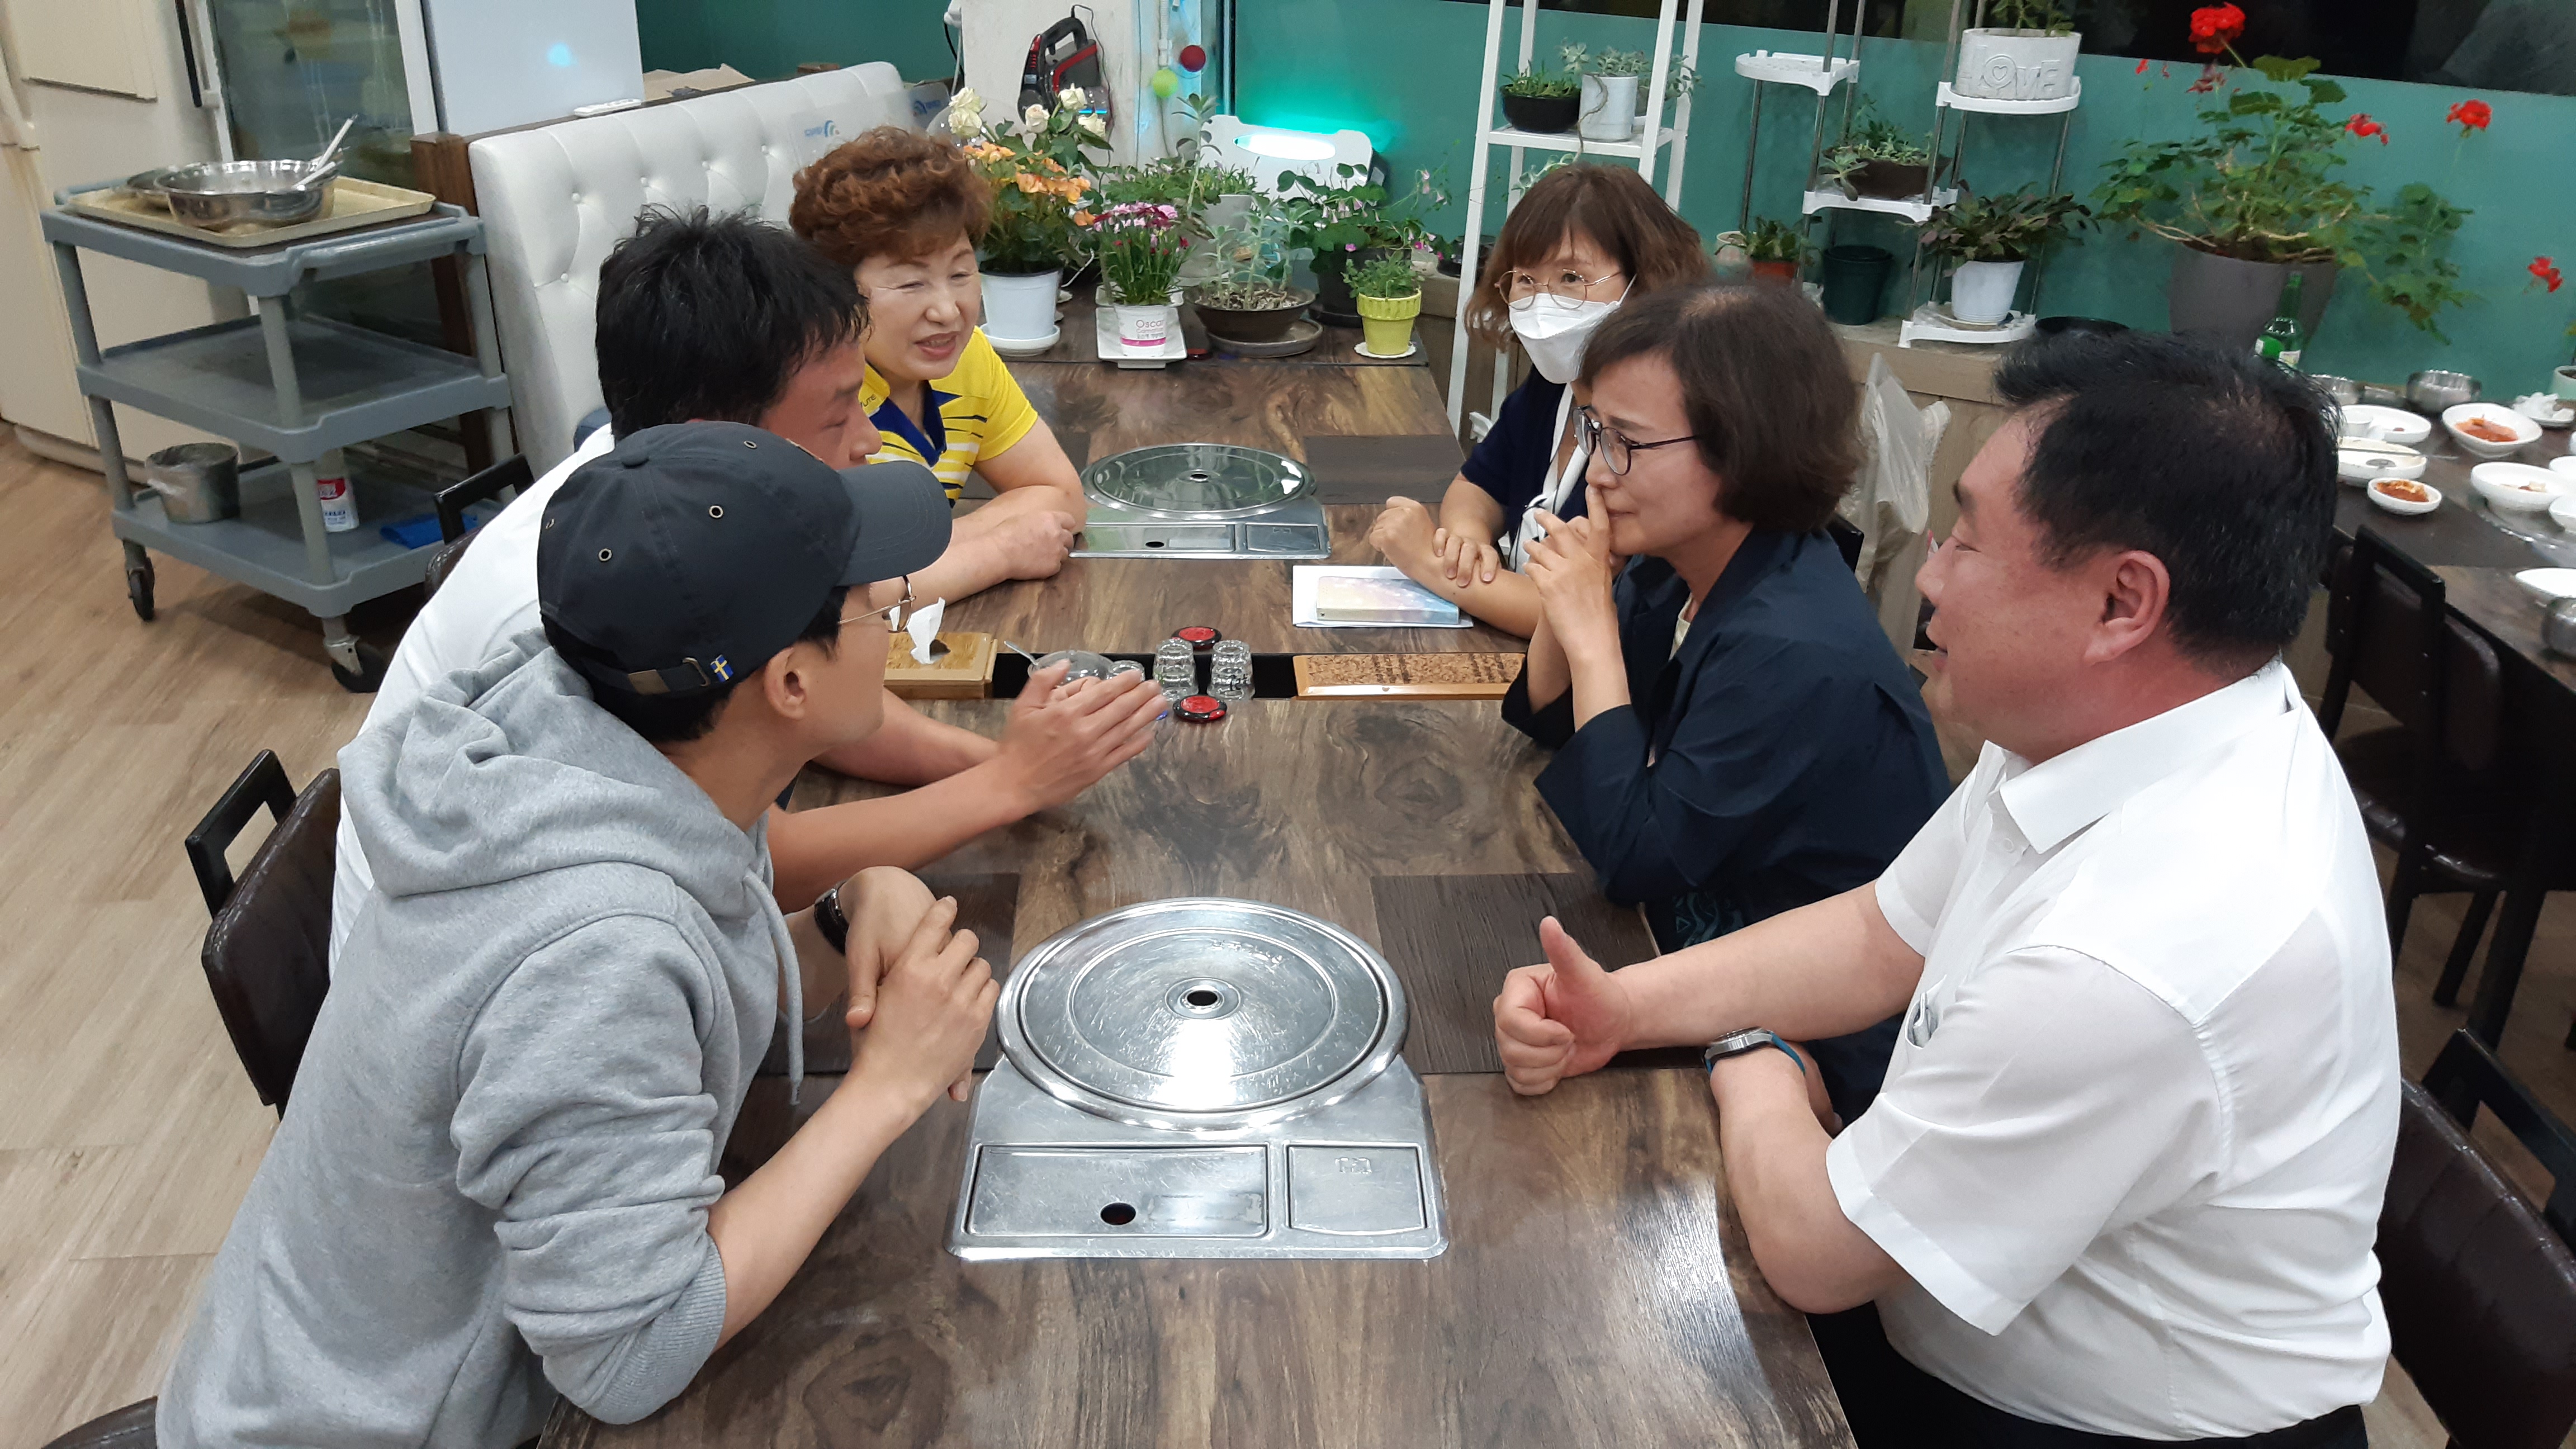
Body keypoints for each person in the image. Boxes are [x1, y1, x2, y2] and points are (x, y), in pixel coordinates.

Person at [1494, 333, 2390, 1448]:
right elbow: (1882, 933)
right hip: (1952, 1311)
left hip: (2082, 1424)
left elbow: (1816, 1250)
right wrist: (1622, 1006)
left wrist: (1751, 1058)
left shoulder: (2134, 955)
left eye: (1966, 539)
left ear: (2123, 603)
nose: (1927, 575)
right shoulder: (2122, 720)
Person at [162, 422, 1000, 1447]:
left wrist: (836, 918)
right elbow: (629, 1355)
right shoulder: (594, 953)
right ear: (789, 683)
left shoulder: (588, 731)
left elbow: (680, 979)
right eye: (873, 603)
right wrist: (886, 1089)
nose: (893, 614)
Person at [329, 207, 1166, 960]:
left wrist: (1007, 762)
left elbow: (796, 699)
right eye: (839, 413)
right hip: (492, 976)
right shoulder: (599, 586)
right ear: (720, 433)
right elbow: (761, 861)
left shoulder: (676, 505)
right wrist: (1007, 785)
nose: (868, 441)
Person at [1499, 281, 1947, 1124]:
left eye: (1627, 442)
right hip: (1688, 954)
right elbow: (1551, 722)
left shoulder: (1795, 647)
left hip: (1818, 1049)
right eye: (1594, 432)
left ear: (1744, 450)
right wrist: (1575, 596)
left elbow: (1631, 854)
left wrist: (1591, 631)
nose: (1598, 470)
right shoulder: (1681, 564)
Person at [1368, 163, 1708, 637]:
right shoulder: (1554, 387)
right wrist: (1466, 544)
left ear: (1645, 283)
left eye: (1571, 277)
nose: (1543, 302)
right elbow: (1477, 486)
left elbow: (1581, 617)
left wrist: (1430, 564)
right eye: (1526, 279)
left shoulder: (1654, 431)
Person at [790, 126, 1089, 600]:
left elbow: (1062, 495)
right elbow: (828, 597)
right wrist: (999, 553)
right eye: (912, 284)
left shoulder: (968, 357)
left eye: (961, 273)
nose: (948, 312)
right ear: (835, 291)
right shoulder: (809, 394)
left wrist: (933, 554)